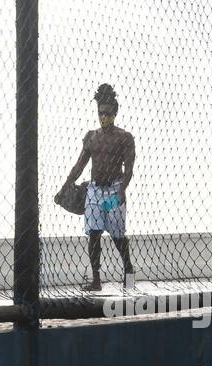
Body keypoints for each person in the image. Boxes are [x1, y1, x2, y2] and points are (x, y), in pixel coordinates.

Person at [61, 83, 135, 292]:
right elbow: (79, 165)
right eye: (100, 112)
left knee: (117, 235)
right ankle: (96, 280)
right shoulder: (91, 137)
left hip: (114, 190)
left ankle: (128, 271)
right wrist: (65, 185)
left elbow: (128, 169)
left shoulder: (124, 138)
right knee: (93, 233)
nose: (103, 116)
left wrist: (122, 191)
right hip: (94, 191)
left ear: (115, 111)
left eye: (107, 113)